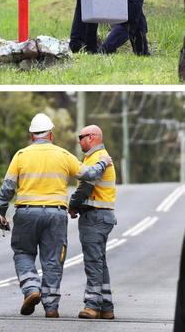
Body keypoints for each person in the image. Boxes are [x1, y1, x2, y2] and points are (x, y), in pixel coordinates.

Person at [0, 113, 112, 318]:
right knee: (53, 260)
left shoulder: (21, 155)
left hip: (26, 213)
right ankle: (51, 307)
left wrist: (0, 212)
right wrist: (104, 162)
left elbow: (7, 188)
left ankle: (31, 289)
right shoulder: (63, 155)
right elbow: (90, 175)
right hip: (56, 214)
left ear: (32, 136)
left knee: (23, 253)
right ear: (51, 135)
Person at [68, 125, 117, 320]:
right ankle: (106, 307)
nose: (79, 140)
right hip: (101, 216)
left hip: (95, 216)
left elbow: (85, 189)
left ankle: (92, 305)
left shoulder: (98, 159)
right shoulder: (95, 158)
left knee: (93, 262)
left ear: (92, 137)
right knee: (100, 262)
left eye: (81, 137)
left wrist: (72, 205)